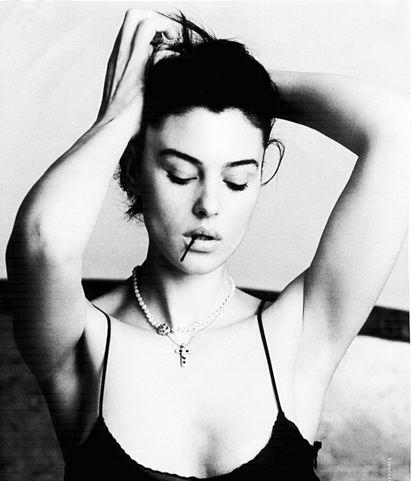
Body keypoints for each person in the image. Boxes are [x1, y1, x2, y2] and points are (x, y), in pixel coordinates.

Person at [5, 9, 408, 481]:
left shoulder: (302, 332)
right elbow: (43, 241)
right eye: (181, 174)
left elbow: (400, 129)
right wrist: (120, 114)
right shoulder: (77, 342)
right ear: (133, 168)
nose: (209, 206)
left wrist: (240, 87)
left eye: (237, 181)